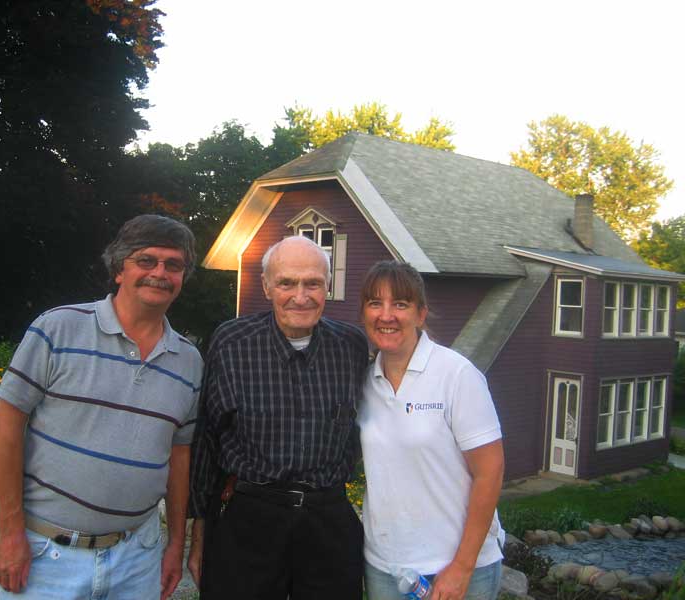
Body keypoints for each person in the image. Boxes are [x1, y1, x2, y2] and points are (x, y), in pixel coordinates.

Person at [0, 215, 202, 600]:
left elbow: (179, 455)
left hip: (137, 560)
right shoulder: (57, 328)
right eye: (147, 260)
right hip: (47, 557)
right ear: (119, 269)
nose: (160, 273)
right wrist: (10, 531)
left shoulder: (189, 361)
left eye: (173, 265)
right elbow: (5, 425)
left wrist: (175, 544)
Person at [188, 235, 370, 600]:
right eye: (287, 282)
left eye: (313, 283)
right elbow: (207, 439)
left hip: (327, 520)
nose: (300, 296)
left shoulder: (351, 346)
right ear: (267, 286)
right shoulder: (232, 343)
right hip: (249, 518)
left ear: (328, 287)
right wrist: (199, 534)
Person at [357, 261, 504, 600]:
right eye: (375, 303)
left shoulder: (456, 375)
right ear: (364, 312)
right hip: (386, 569)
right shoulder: (365, 381)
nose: (387, 315)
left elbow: (491, 472)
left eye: (401, 304)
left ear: (421, 314)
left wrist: (462, 567)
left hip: (456, 569)